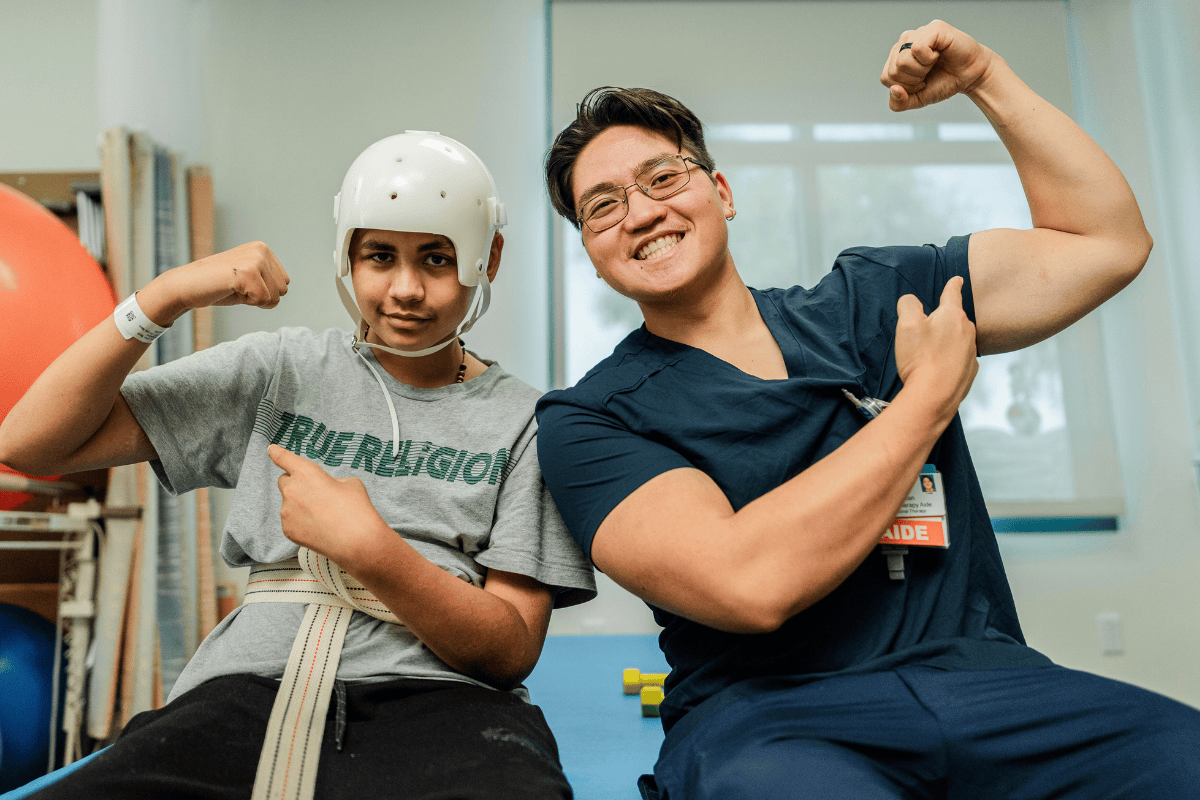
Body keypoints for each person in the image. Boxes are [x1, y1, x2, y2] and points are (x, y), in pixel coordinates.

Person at [535, 20, 1200, 800]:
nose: (641, 213)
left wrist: (987, 76)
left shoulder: (878, 299)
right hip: (772, 721)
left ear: (721, 191)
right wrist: (923, 402)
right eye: (603, 207)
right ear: (589, 247)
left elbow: (1107, 242)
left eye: (661, 178)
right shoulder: (590, 420)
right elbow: (748, 584)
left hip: (986, 685)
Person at [0, 131, 595, 800]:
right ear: (347, 256)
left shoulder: (529, 422)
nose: (406, 290)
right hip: (244, 691)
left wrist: (373, 550)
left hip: (443, 704)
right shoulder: (279, 370)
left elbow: (510, 649)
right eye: (379, 256)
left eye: (435, 258)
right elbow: (27, 443)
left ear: (487, 258)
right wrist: (162, 299)